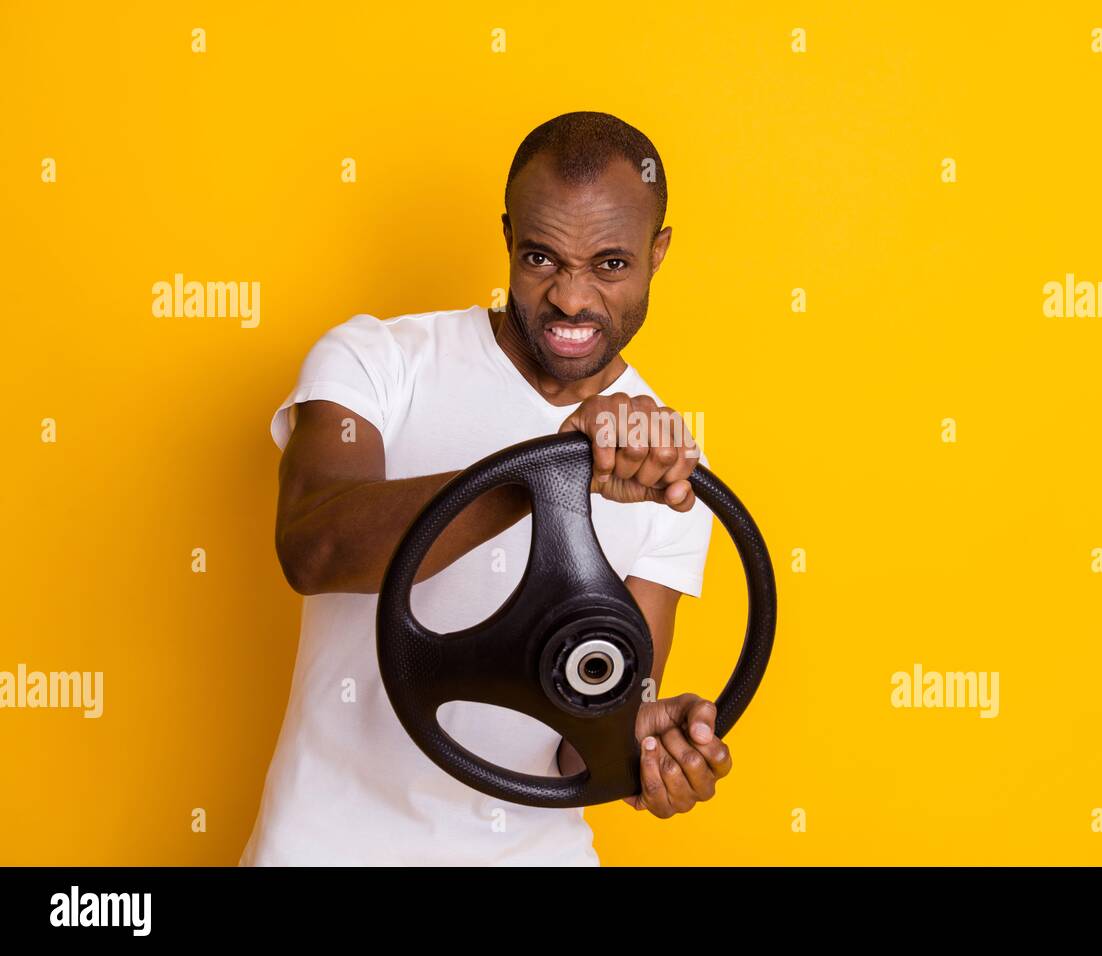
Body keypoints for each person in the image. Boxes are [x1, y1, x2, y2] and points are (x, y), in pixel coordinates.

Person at [240, 111, 733, 865]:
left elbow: (590, 741)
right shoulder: (376, 361)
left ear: (657, 253)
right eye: (542, 259)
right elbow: (315, 546)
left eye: (609, 264)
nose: (572, 299)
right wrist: (548, 475)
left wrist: (646, 749)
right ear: (507, 238)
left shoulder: (665, 466)